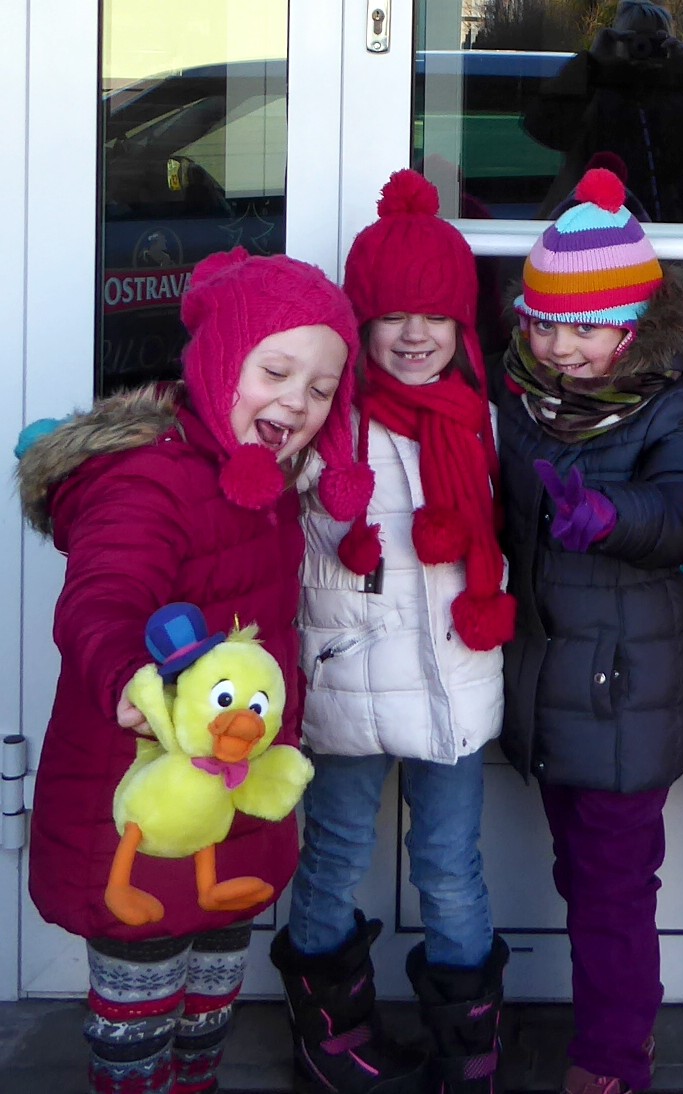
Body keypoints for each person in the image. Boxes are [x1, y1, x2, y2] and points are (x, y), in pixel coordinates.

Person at [17, 248, 370, 1094]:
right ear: (220, 361)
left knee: (206, 1006)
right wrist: (128, 679)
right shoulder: (152, 474)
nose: (297, 400)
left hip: (230, 794)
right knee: (139, 1017)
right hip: (140, 799)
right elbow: (102, 598)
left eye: (321, 389)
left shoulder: (265, 483)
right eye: (275, 371)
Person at [268, 170, 514, 1094]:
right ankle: (331, 1036)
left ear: (461, 326)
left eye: (436, 317)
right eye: (394, 317)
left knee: (450, 864)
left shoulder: (482, 423)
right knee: (334, 854)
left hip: (454, 680)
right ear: (360, 324)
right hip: (349, 683)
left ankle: (469, 1044)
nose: (416, 335)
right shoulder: (328, 426)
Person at [490, 166, 683, 1094]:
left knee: (614, 886)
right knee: (576, 873)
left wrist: (612, 518)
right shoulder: (518, 398)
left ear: (632, 328)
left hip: (625, 689)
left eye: (586, 327)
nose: (561, 346)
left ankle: (613, 1055)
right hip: (545, 679)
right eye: (546, 324)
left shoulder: (670, 405)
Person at [521, 0, 683, 224]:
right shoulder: (595, 92)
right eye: (634, 40)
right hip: (607, 227)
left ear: (669, 43)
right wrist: (591, 63)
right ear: (617, 41)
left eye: (654, 41)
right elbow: (543, 128)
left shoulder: (680, 94)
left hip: (674, 229)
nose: (643, 48)